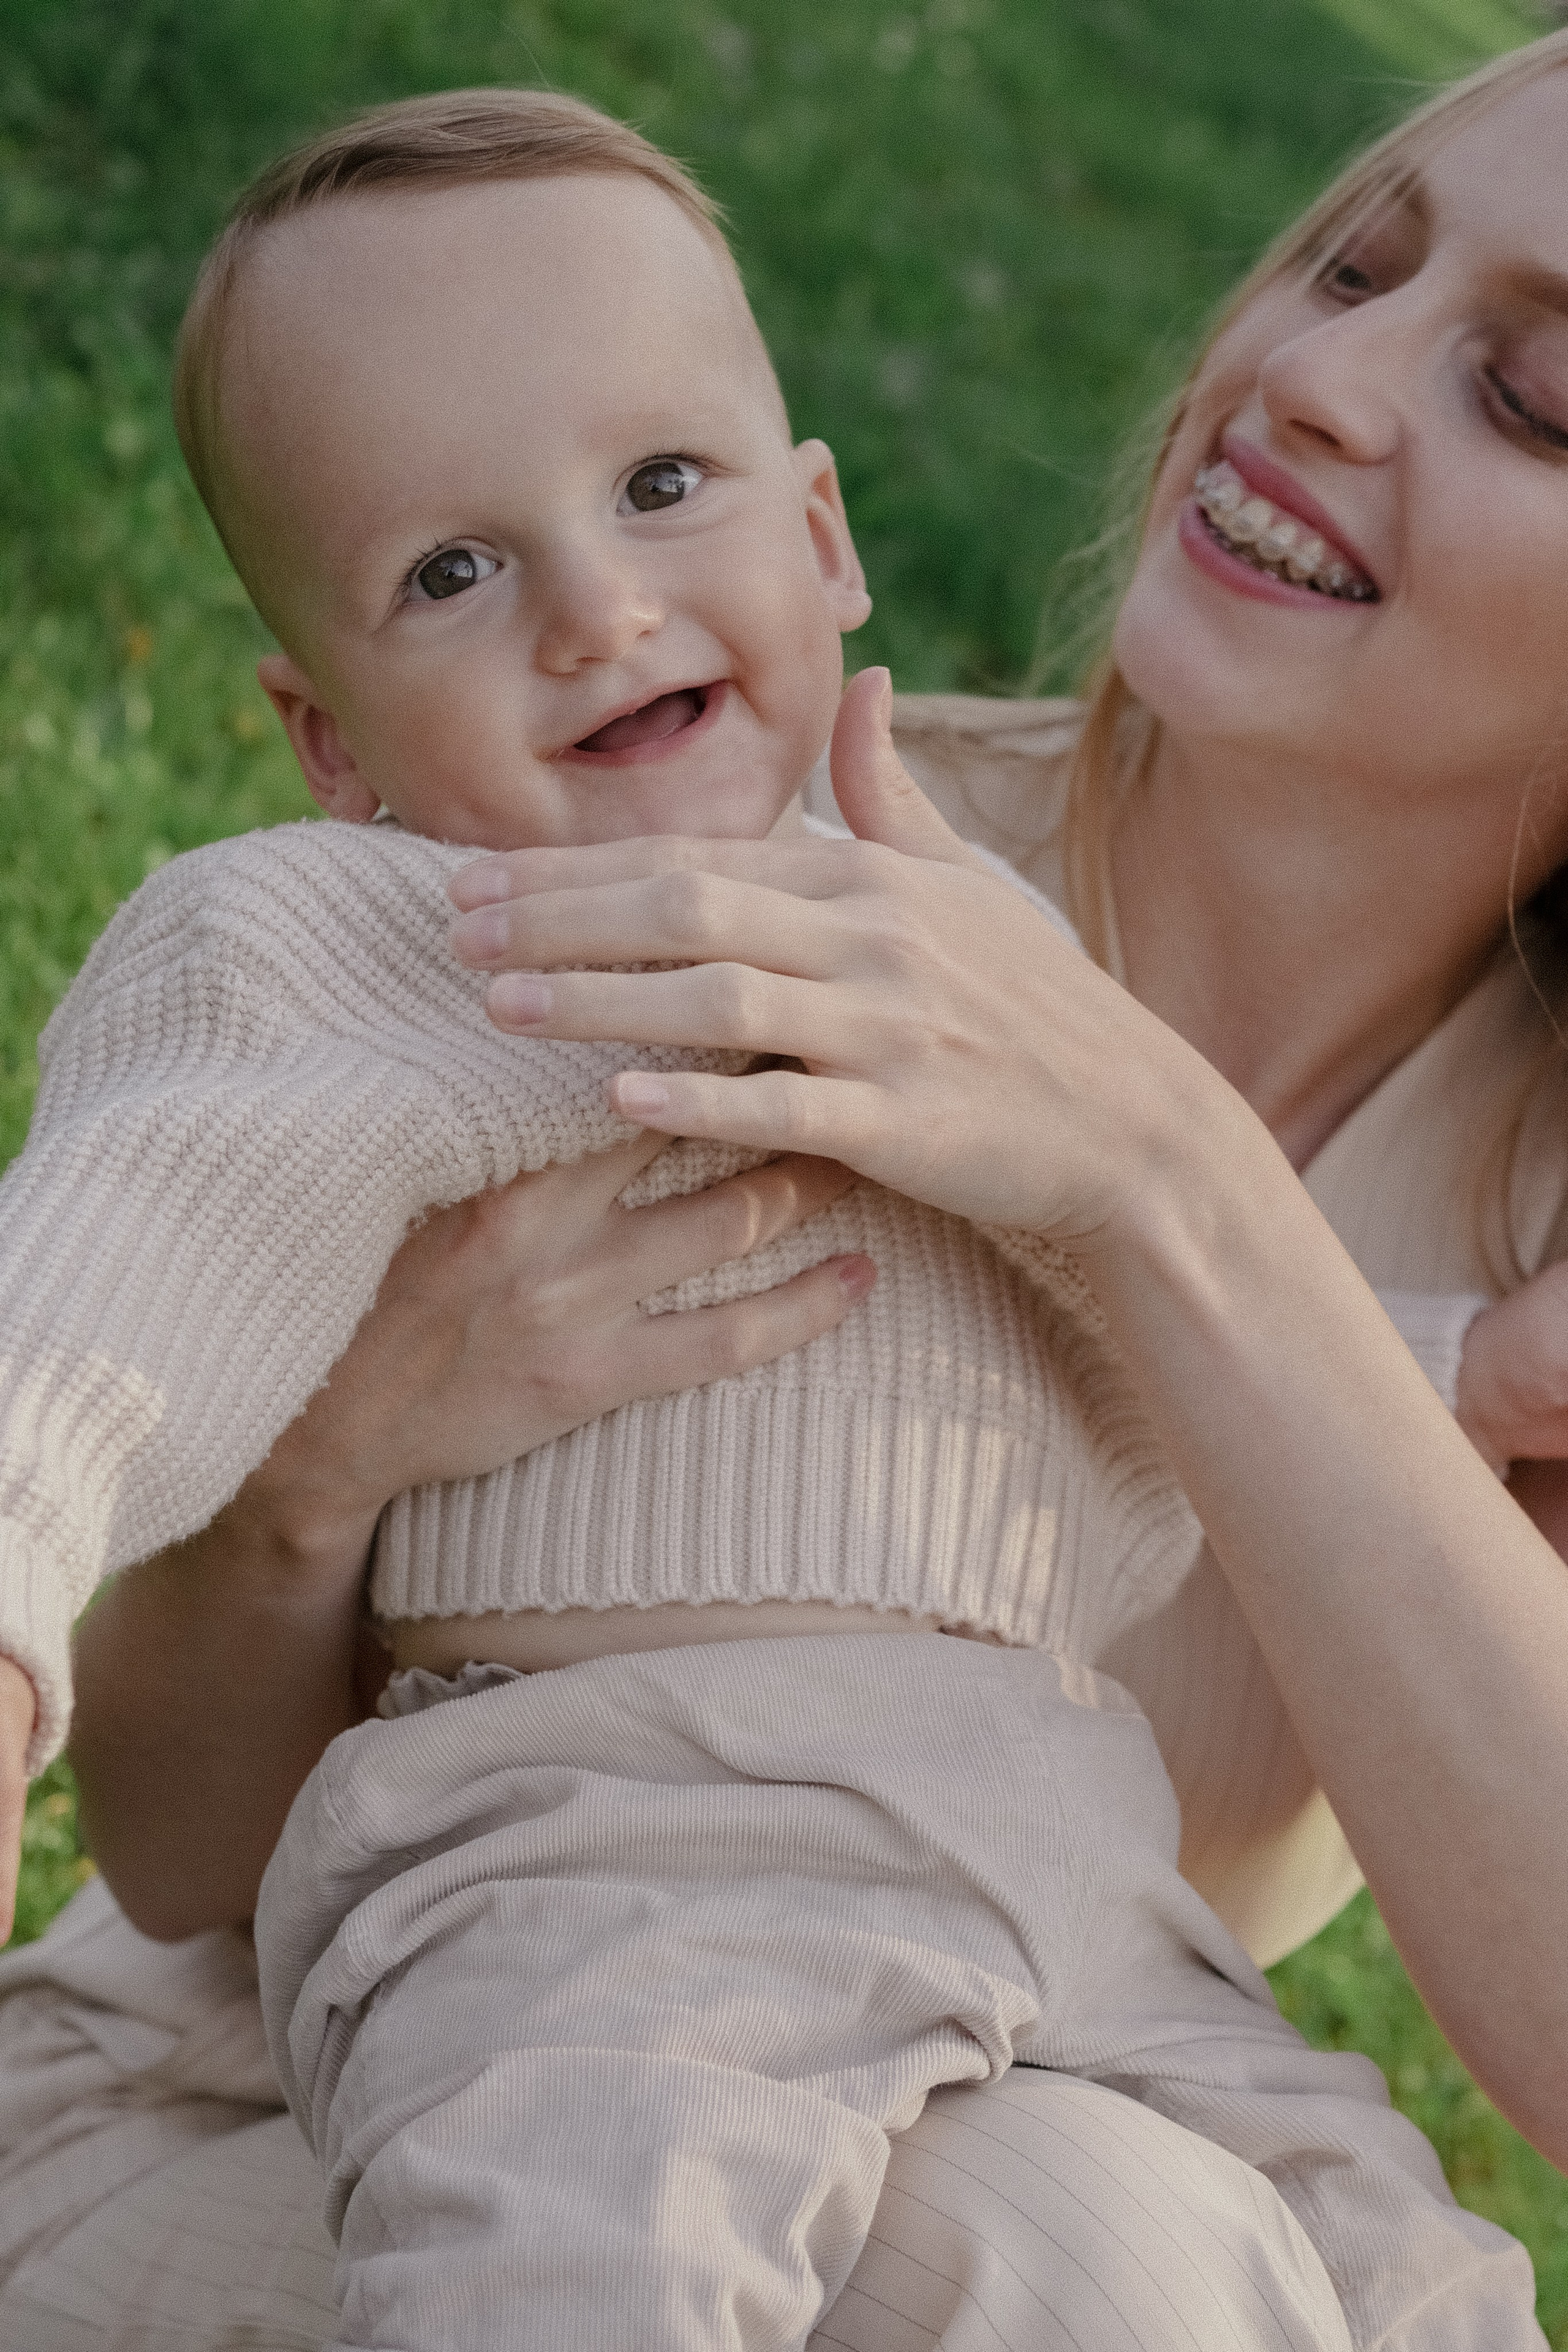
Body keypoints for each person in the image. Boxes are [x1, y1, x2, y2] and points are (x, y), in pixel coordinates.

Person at [5, 25, 1568, 2350]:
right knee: (1105, 2275)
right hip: (361, 2044)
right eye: (1350, 261)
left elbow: (1070, 1366)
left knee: (1395, 2280)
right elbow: (127, 1288)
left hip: (1029, 1944)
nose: (1326, 380)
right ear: (332, 739)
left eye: (1534, 395)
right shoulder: (568, 910)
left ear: (812, 523)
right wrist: (286, 1491)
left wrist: (1227, 1219)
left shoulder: (1427, 1174)